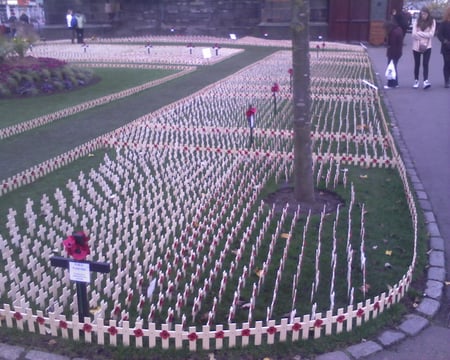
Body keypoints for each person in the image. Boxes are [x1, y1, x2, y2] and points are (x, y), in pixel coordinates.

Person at [411, 7, 436, 89]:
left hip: (427, 46)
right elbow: (414, 34)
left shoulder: (432, 22)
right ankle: (416, 80)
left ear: (428, 14)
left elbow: (431, 34)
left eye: (425, 14)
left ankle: (425, 81)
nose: (423, 15)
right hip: (416, 46)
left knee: (425, 64)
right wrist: (425, 35)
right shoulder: (416, 22)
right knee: (417, 64)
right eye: (422, 14)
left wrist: (420, 33)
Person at [384, 19, 403, 89]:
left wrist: (390, 55)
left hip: (393, 53)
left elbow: (392, 45)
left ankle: (391, 84)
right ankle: (395, 83)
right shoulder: (399, 29)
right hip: (398, 52)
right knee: (394, 68)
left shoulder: (393, 33)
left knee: (391, 68)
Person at [437, 6, 450, 88]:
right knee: (447, 63)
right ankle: (446, 81)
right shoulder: (444, 23)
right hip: (446, 47)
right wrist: (444, 41)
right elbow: (439, 34)